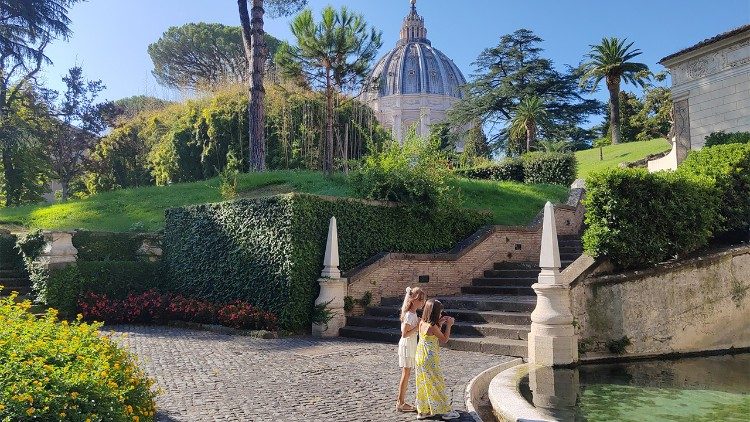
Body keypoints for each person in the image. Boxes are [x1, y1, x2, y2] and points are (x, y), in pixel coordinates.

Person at [415, 299, 460, 420]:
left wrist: (440, 322)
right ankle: (445, 411)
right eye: (439, 313)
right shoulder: (432, 326)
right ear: (434, 313)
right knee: (437, 383)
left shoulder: (422, 322)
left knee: (423, 383)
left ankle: (423, 411)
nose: (441, 314)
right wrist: (449, 325)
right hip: (430, 358)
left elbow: (431, 332)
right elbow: (444, 339)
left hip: (420, 356)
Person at [396, 286, 426, 413]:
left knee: (407, 374)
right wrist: (417, 327)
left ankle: (401, 401)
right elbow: (404, 333)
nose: (423, 302)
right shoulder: (409, 315)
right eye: (421, 300)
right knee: (406, 374)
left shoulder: (413, 314)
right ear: (414, 300)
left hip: (411, 344)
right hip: (407, 344)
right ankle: (400, 402)